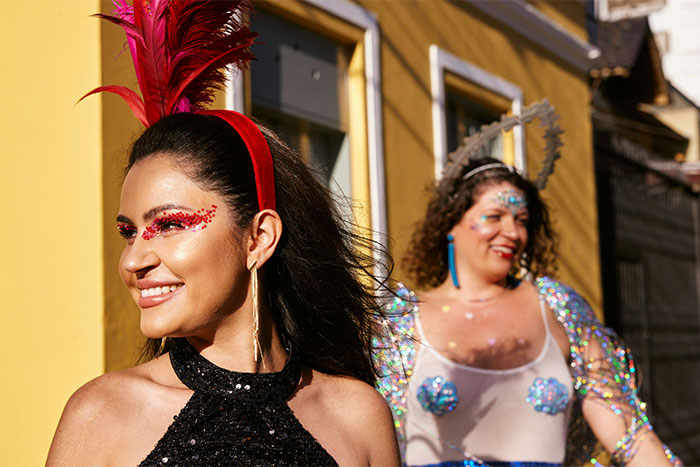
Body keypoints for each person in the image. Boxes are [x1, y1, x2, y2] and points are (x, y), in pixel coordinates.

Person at [47, 1, 399, 465]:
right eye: (128, 232)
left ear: (259, 238)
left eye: (170, 224)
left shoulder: (359, 415)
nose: (133, 261)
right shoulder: (103, 414)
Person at [374, 156, 682, 466]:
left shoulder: (559, 308)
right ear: (449, 224)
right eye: (494, 216)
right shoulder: (400, 321)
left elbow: (631, 437)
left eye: (521, 220)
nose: (512, 232)